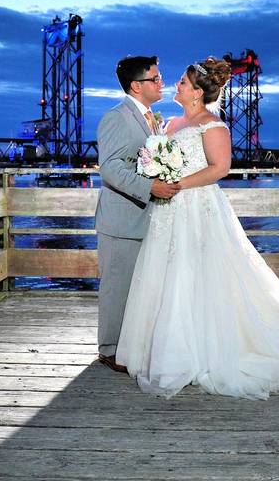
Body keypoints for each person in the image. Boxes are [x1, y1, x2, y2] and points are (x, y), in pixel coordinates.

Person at [116, 56, 279, 399]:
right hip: (168, 211)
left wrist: (178, 182)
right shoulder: (171, 123)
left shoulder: (213, 125)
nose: (174, 85)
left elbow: (220, 168)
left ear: (196, 93)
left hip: (197, 206)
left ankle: (206, 351)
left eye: (181, 82)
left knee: (200, 274)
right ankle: (166, 349)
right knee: (167, 274)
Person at [95, 55, 181, 373]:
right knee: (117, 286)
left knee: (139, 286)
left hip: (146, 220)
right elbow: (111, 169)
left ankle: (135, 343)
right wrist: (150, 189)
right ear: (136, 85)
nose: (161, 83)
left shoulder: (151, 118)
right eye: (155, 79)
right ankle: (110, 350)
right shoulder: (116, 117)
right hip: (121, 220)